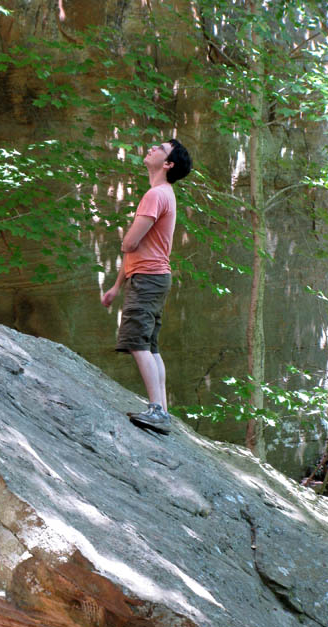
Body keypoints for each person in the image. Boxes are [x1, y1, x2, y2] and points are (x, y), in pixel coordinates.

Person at [101, 138, 192, 434]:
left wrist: (126, 239)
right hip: (153, 277)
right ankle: (161, 408)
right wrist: (116, 286)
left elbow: (130, 243)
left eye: (160, 149)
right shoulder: (164, 193)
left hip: (149, 279)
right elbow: (135, 252)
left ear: (168, 164)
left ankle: (157, 411)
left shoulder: (156, 195)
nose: (151, 148)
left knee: (137, 342)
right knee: (150, 345)